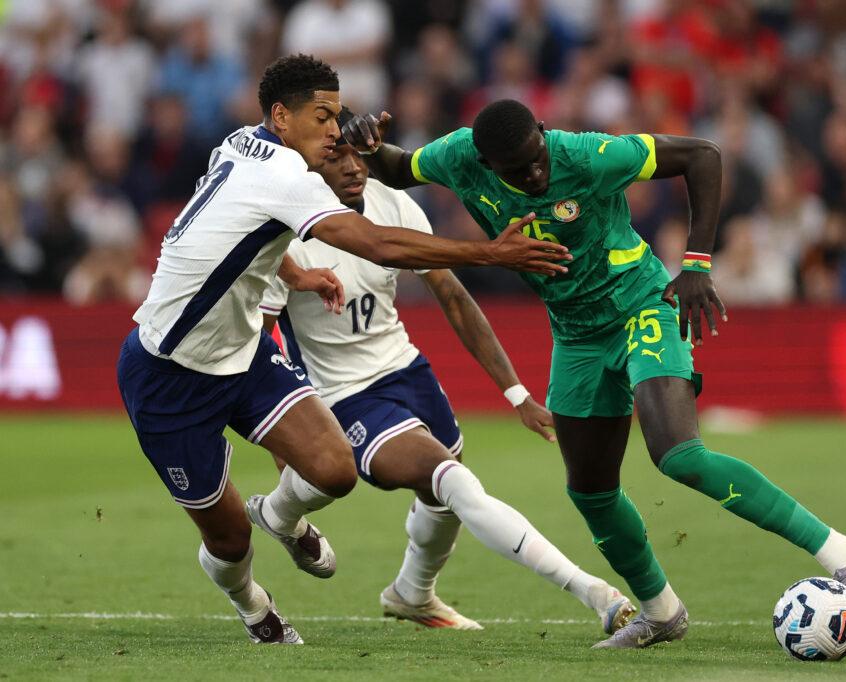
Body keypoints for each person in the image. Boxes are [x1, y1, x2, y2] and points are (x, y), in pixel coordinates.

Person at [340, 99, 846, 649]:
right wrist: (365, 137)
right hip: (576, 335)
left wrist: (697, 263)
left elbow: (703, 155)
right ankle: (660, 612)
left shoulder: (589, 155)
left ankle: (843, 552)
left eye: (538, 157)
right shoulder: (459, 155)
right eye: (518, 171)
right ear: (484, 164)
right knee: (591, 490)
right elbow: (396, 167)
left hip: (641, 305)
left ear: (542, 132)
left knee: (679, 455)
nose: (536, 174)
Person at [116, 58, 571, 645]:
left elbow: (231, 227)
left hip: (243, 354)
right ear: (281, 117)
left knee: (335, 470)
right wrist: (492, 255)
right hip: (167, 375)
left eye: (337, 114)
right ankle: (253, 604)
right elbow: (376, 244)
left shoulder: (237, 144)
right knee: (229, 541)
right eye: (322, 116)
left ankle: (282, 517)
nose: (335, 129)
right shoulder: (287, 176)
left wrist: (294, 273)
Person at [254, 133, 636, 634]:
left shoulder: (394, 204)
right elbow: (261, 339)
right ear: (310, 168)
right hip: (343, 396)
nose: (353, 166)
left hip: (406, 369)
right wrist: (280, 435)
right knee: (453, 482)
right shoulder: (289, 236)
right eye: (336, 156)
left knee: (442, 492)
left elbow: (453, 296)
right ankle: (594, 593)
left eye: (357, 153)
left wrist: (517, 393)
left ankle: (412, 593)